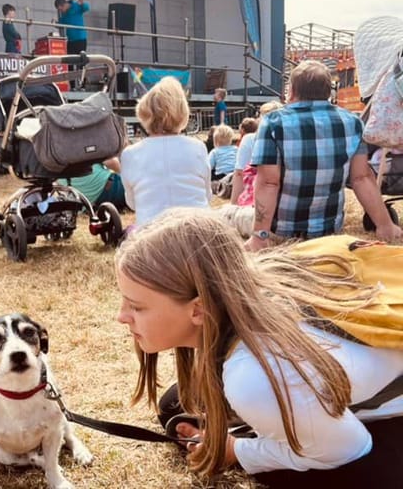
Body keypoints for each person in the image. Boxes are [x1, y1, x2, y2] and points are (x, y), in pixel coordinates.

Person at [115, 209, 403, 487]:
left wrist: (235, 451)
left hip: (375, 424)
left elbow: (348, 449)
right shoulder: (245, 286)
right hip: (341, 376)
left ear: (199, 309)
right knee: (175, 405)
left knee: (341, 474)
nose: (121, 316)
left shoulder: (253, 375)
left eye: (137, 306)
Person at [247, 60, 402, 250]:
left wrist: (260, 235)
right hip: (329, 234)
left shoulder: (272, 123)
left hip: (282, 234)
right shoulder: (352, 122)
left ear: (292, 90)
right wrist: (385, 225)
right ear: (329, 92)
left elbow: (269, 182)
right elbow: (361, 178)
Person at [120, 77, 211, 228]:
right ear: (183, 112)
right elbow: (207, 196)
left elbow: (132, 203)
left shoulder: (130, 154)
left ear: (144, 113)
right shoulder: (198, 147)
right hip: (197, 233)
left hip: (152, 238)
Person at [59, 157, 127, 211]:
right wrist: (123, 173)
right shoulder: (88, 140)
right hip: (104, 189)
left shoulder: (52, 145)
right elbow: (110, 162)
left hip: (76, 200)